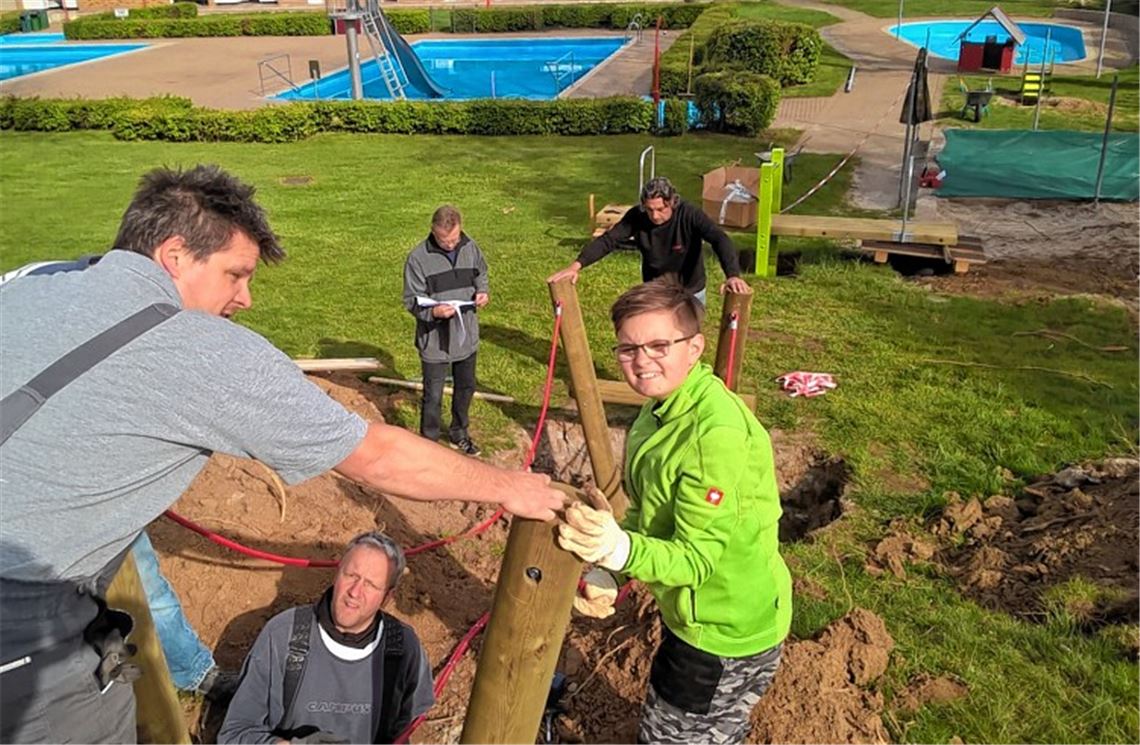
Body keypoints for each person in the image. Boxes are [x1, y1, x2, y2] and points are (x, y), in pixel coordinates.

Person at [0, 165, 564, 744]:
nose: (245, 297)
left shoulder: (30, 281)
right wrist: (509, 487)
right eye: (235, 274)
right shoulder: (199, 352)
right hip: (24, 633)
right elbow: (375, 456)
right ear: (173, 255)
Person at [556, 276, 792, 745]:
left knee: (671, 737)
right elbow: (652, 510)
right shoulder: (662, 407)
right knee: (713, 729)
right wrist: (615, 572)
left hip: (723, 632)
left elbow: (696, 561)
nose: (642, 361)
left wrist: (619, 549)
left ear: (695, 347)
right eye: (628, 349)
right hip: (695, 615)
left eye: (659, 344)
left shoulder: (712, 435)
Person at [0, 259, 239, 704]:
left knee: (141, 578)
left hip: (83, 474)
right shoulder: (44, 293)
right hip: (36, 495)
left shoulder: (75, 296)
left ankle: (190, 672)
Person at [218, 532, 433, 745]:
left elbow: (409, 729)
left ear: (387, 597)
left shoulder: (402, 648)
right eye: (351, 575)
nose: (355, 592)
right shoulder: (284, 636)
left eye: (370, 585)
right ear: (337, 573)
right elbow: (234, 734)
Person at [546, 176, 751, 305]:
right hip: (656, 289)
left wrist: (732, 275)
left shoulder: (690, 215)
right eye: (649, 209)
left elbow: (719, 239)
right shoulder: (638, 216)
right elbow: (609, 240)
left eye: (661, 209)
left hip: (691, 290)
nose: (654, 216)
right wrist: (576, 266)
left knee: (687, 342)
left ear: (672, 202)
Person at [402, 205, 489, 456]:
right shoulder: (417, 258)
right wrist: (433, 312)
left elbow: (481, 272)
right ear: (433, 230)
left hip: (466, 336)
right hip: (435, 340)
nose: (451, 244)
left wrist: (482, 291)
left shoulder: (470, 248)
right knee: (433, 395)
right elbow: (411, 299)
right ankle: (429, 443)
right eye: (444, 240)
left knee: (465, 387)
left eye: (454, 239)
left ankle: (459, 433)